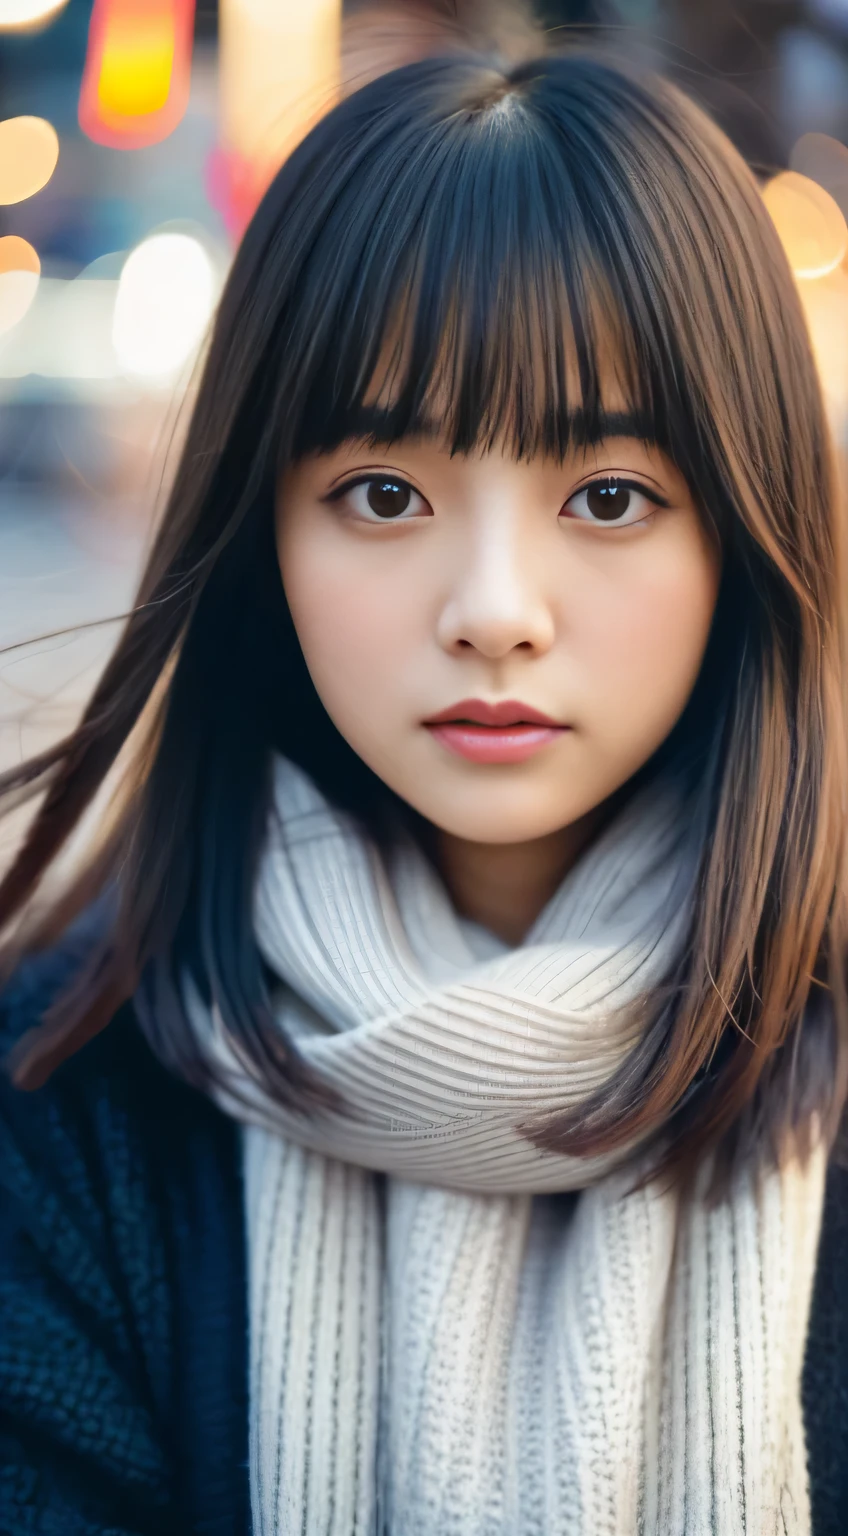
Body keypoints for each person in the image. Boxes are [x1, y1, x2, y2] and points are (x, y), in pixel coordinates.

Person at [1, 44, 848, 1536]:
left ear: (747, 532)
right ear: (263, 535)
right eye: (384, 494)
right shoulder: (64, 1112)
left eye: (610, 496)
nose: (496, 608)